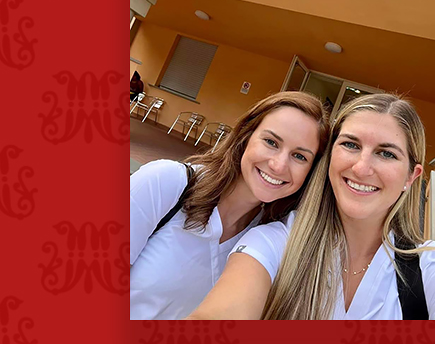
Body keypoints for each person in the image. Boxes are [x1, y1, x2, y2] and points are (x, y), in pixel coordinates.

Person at [188, 93, 435, 320]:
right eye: (350, 144)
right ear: (330, 156)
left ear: (410, 177)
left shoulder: (428, 267)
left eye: (387, 153)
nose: (361, 167)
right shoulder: (276, 241)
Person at [130, 91, 329, 319]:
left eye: (300, 156)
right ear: (245, 137)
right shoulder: (165, 182)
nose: (278, 165)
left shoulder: (267, 240)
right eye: (271, 142)